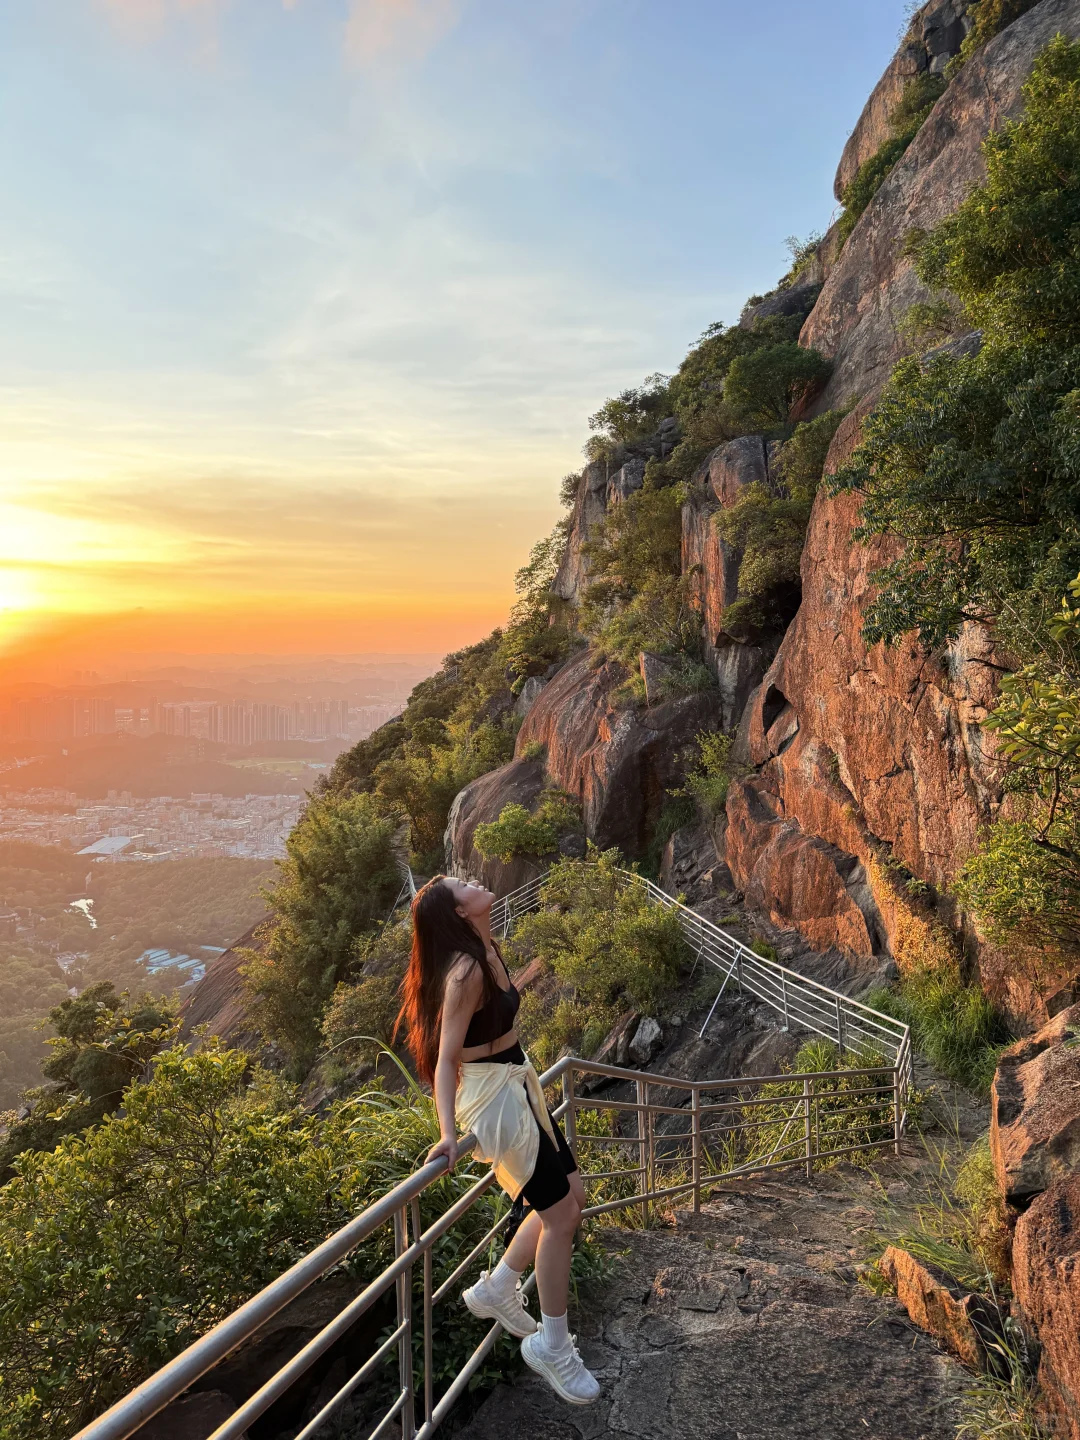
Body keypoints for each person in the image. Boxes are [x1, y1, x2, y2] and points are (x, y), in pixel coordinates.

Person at [396, 875, 600, 1407]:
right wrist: (447, 1133)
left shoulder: (488, 947)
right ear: (460, 912)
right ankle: (553, 1346)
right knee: (560, 1218)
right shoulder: (465, 971)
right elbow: (445, 1059)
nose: (476, 881)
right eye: (463, 885)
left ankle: (500, 1284)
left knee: (572, 1197)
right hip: (495, 1099)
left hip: (517, 1082)